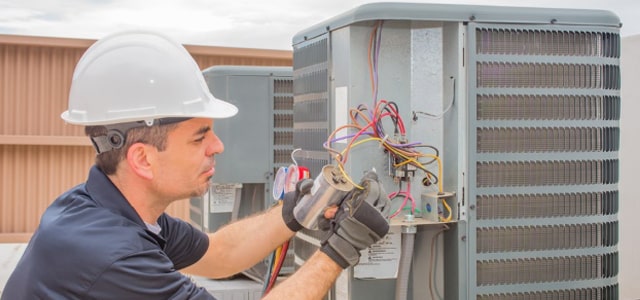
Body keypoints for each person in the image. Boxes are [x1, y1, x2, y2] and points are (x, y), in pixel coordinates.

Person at [1, 31, 390, 299]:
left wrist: (295, 211)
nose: (217, 146)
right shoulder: (114, 258)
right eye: (200, 136)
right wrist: (341, 249)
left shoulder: (103, 209)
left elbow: (218, 253)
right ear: (142, 159)